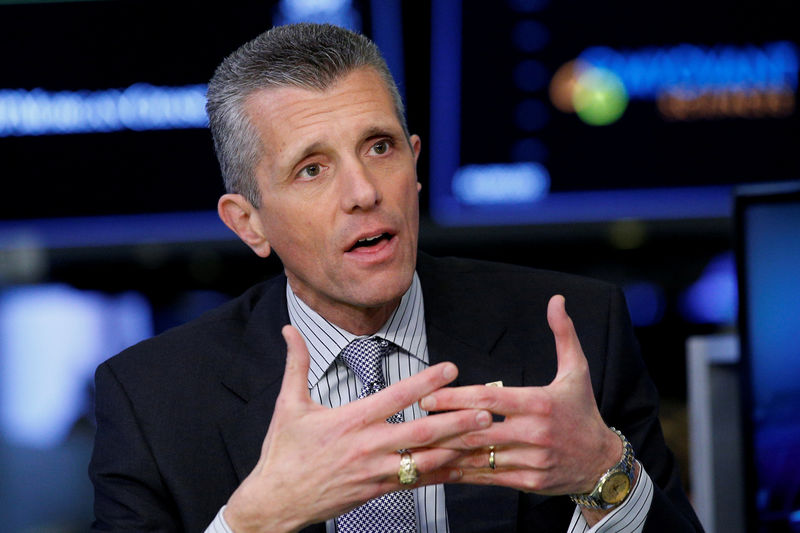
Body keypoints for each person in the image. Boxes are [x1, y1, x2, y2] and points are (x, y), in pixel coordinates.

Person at [89, 23, 703, 533]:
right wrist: (251, 522)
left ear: (413, 166)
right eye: (311, 169)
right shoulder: (151, 399)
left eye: (380, 148)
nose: (363, 193)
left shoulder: (576, 335)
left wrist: (602, 473)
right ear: (248, 223)